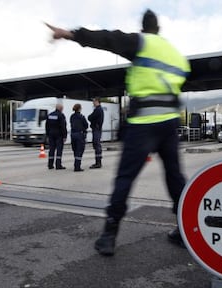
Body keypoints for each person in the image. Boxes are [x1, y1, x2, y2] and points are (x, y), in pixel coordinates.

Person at [46, 9, 191, 255]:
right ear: (159, 29)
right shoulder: (177, 56)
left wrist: (70, 34)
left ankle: (108, 235)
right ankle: (187, 229)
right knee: (175, 177)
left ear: (144, 28)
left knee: (125, 178)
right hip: (169, 124)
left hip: (143, 123)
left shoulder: (141, 42)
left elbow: (107, 39)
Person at [45, 103, 67, 170]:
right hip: (59, 135)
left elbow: (47, 125)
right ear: (60, 108)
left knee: (51, 149)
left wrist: (48, 134)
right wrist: (64, 136)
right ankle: (58, 165)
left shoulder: (50, 115)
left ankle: (50, 165)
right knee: (59, 150)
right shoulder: (61, 115)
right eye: (62, 108)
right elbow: (63, 126)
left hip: (51, 134)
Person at [70, 103, 89, 172]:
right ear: (79, 109)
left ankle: (76, 163)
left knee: (75, 150)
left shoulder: (72, 116)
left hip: (73, 134)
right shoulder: (81, 117)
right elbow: (86, 125)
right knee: (79, 151)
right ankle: (77, 167)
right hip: (79, 135)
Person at [88, 97, 104, 169]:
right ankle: (98, 161)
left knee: (96, 144)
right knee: (96, 144)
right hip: (97, 129)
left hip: (96, 129)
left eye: (94, 101)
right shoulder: (99, 109)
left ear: (97, 101)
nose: (93, 103)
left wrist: (90, 118)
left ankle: (98, 162)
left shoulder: (98, 110)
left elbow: (90, 117)